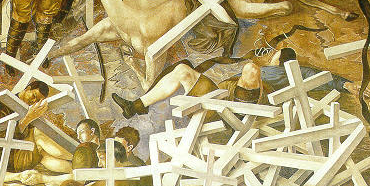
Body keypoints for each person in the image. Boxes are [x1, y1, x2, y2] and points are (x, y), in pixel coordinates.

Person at [112, 58, 269, 119]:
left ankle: (135, 107)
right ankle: (136, 106)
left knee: (251, 69)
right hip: (218, 99)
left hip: (226, 114)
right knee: (182, 70)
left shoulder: (275, 72)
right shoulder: (271, 67)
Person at [0, 80, 73, 173]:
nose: (33, 101)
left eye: (37, 101)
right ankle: (76, 156)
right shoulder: (4, 106)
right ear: (27, 89)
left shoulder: (27, 108)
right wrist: (28, 118)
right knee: (38, 133)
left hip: (23, 151)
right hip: (7, 156)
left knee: (45, 155)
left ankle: (77, 170)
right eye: (34, 96)